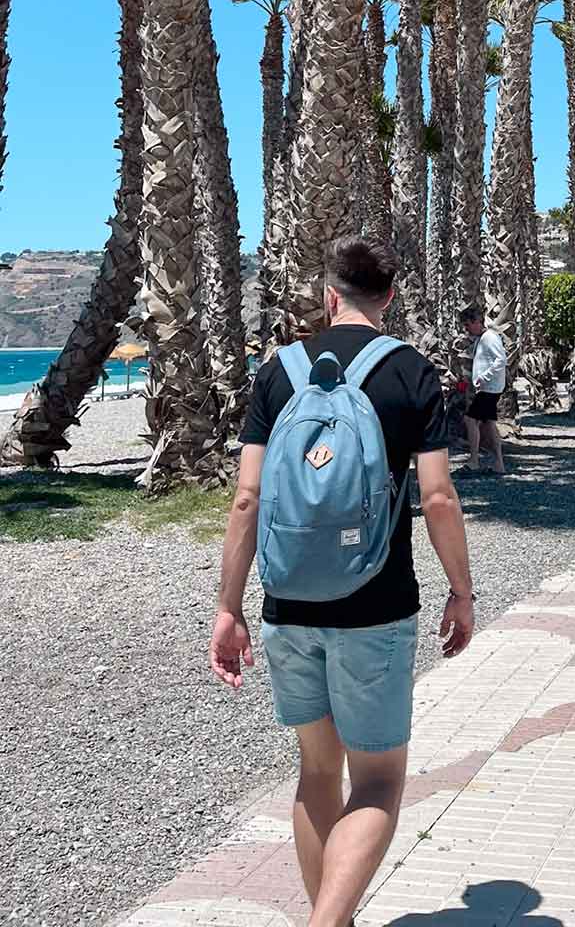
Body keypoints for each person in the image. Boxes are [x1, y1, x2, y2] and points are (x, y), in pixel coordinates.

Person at [209, 235, 475, 927]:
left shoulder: (278, 373)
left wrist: (228, 608)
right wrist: (462, 591)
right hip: (377, 604)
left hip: (288, 602)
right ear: (389, 296)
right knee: (380, 778)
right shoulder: (412, 373)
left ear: (330, 296)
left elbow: (247, 499)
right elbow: (439, 497)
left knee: (317, 773)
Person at [460, 305, 507, 477]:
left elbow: (500, 360)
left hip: (489, 389)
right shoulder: (482, 338)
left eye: (467, 325)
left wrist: (483, 378)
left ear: (476, 322)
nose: (466, 329)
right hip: (487, 389)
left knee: (470, 420)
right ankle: (498, 464)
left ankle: (474, 461)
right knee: (489, 425)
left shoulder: (489, 338)